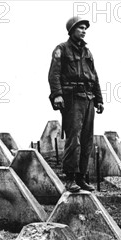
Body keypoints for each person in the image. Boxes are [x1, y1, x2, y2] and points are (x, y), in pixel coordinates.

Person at [48, 16, 104, 192]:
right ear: (71, 30)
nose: (84, 31)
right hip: (72, 99)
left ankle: (81, 178)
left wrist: (99, 99)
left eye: (85, 28)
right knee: (74, 139)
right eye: (80, 28)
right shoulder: (61, 49)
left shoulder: (88, 52)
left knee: (87, 140)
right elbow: (54, 74)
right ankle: (70, 178)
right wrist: (57, 95)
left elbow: (94, 77)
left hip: (88, 99)